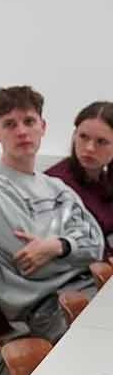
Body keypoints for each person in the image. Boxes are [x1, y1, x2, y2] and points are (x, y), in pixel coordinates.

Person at [0, 86, 104, 341]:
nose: (22, 131)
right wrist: (72, 246)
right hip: (48, 308)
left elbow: (96, 245)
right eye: (9, 124)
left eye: (29, 121)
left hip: (88, 290)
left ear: (43, 127)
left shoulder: (56, 187)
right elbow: (33, 266)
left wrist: (57, 245)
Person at [48, 100, 113, 258]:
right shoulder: (56, 184)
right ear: (74, 136)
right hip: (80, 274)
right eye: (83, 137)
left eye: (101, 142)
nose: (89, 148)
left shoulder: (105, 180)